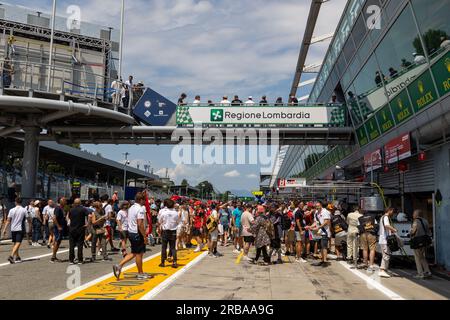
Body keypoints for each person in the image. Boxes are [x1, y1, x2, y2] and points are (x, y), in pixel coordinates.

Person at [113, 193, 149, 280]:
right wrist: (144, 236)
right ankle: (140, 273)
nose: (145, 202)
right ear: (141, 200)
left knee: (134, 252)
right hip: (137, 233)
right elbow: (140, 224)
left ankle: (119, 265)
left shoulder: (131, 207)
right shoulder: (139, 209)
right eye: (144, 200)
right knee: (139, 254)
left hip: (131, 232)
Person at [2, 198, 26, 264]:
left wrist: (4, 229)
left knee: (15, 243)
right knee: (18, 243)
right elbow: (28, 219)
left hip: (13, 228)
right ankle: (11, 256)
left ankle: (17, 256)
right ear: (21, 202)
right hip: (20, 228)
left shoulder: (11, 210)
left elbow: (8, 220)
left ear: (15, 202)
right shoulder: (24, 210)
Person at [158, 199, 181, 268]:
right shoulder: (175, 213)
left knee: (164, 247)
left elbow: (160, 221)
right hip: (173, 231)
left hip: (165, 231)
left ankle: (162, 262)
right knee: (173, 247)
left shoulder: (163, 212)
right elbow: (178, 222)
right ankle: (174, 262)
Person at [410, 210, 432, 279]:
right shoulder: (425, 221)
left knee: (417, 258)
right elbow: (428, 231)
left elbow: (413, 231)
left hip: (417, 241)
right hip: (425, 241)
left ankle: (420, 273)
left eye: (413, 213)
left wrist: (410, 233)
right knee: (422, 257)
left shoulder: (416, 221)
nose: (413, 215)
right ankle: (427, 271)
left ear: (417, 214)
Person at [311, 202, 331, 267]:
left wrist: (319, 227)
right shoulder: (316, 213)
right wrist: (310, 227)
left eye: (318, 206)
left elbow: (326, 221)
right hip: (319, 233)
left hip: (325, 232)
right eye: (316, 206)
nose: (317, 207)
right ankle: (322, 260)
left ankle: (325, 261)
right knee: (321, 247)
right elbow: (315, 222)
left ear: (321, 205)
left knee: (324, 246)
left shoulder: (325, 212)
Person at [68, 199, 89, 265]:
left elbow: (69, 217)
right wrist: (88, 223)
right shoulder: (83, 209)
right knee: (80, 244)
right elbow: (89, 215)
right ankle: (80, 260)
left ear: (74, 203)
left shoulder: (71, 209)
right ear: (80, 203)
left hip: (72, 229)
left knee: (71, 245)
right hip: (80, 228)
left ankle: (71, 260)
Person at [379, 208, 397, 278]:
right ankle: (382, 270)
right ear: (389, 210)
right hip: (384, 239)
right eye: (392, 211)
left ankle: (385, 269)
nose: (393, 212)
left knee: (386, 254)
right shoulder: (386, 217)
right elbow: (386, 225)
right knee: (386, 255)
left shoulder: (383, 217)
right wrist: (394, 229)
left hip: (383, 239)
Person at [51, 197, 67, 263]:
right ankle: (53, 257)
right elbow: (54, 218)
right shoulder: (58, 208)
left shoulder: (62, 208)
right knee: (57, 242)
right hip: (58, 228)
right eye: (64, 200)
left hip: (61, 227)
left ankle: (54, 256)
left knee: (58, 242)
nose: (66, 201)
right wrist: (58, 227)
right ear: (60, 201)